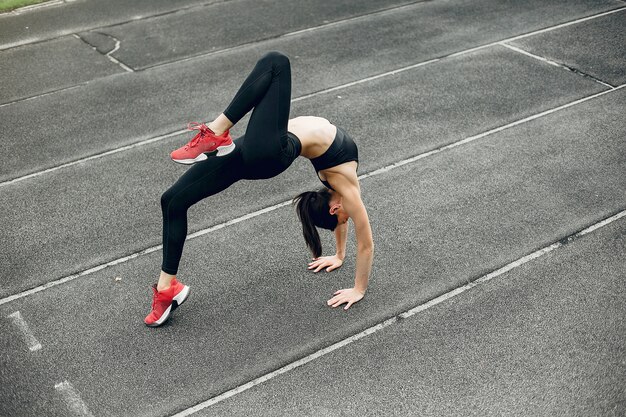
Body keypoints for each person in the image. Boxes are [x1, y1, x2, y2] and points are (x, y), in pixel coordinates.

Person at [145, 52, 374, 327]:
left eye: (343, 217)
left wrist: (358, 289)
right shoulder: (342, 189)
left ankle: (216, 132)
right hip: (253, 147)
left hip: (270, 152)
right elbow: (346, 223)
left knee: (277, 63)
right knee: (172, 201)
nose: (348, 218)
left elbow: (366, 243)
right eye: (344, 218)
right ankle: (167, 289)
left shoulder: (344, 185)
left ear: (334, 207)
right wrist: (339, 255)